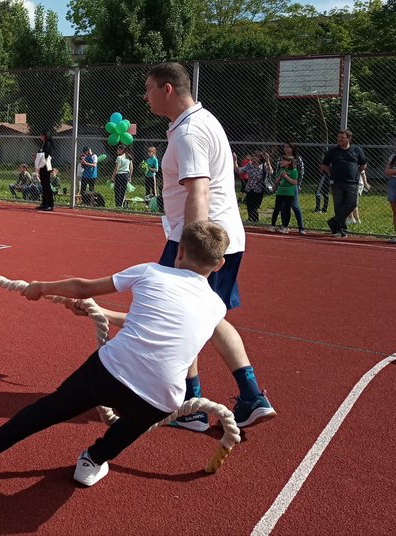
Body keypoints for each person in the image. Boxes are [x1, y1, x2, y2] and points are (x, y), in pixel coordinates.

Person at [0, 221, 231, 486]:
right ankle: (92, 461)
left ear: (180, 250)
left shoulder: (151, 272)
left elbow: (83, 287)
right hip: (160, 397)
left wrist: (41, 287)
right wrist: (99, 312)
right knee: (132, 425)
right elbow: (150, 323)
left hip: (111, 370)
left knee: (51, 409)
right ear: (219, 264)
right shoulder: (217, 307)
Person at [142, 62, 274, 429]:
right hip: (219, 238)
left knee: (183, 320)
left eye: (149, 88)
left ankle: (192, 406)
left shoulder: (190, 132)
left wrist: (191, 250)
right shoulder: (198, 122)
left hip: (200, 242)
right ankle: (248, 396)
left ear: (167, 89)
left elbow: (198, 190)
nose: (145, 95)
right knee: (210, 318)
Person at [321, 129, 367, 238]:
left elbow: (363, 164)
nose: (340, 139)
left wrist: (356, 173)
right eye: (338, 137)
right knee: (339, 205)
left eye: (342, 137)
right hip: (336, 182)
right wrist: (331, 173)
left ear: (349, 138)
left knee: (352, 203)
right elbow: (324, 165)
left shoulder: (357, 150)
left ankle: (333, 221)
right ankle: (340, 230)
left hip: (352, 182)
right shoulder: (333, 151)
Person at [269, 156, 298, 234]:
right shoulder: (281, 170)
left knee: (287, 209)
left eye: (284, 160)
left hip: (289, 193)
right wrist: (280, 176)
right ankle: (272, 225)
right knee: (277, 208)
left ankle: (285, 227)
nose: (281, 162)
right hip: (280, 192)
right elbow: (277, 182)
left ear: (289, 162)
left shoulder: (294, 171)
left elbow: (294, 182)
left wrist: (285, 176)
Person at [282, 142, 306, 234]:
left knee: (294, 205)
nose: (286, 149)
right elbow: (278, 170)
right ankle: (284, 226)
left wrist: (297, 184)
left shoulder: (297, 159)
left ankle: (301, 227)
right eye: (285, 147)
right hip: (283, 185)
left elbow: (301, 172)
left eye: (288, 147)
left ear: (293, 149)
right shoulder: (281, 158)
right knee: (283, 206)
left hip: (292, 185)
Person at [240, 153, 268, 223]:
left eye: (255, 156)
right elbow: (239, 170)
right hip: (250, 187)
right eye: (253, 156)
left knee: (255, 206)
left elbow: (270, 171)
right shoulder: (249, 165)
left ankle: (255, 219)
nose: (253, 157)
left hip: (259, 189)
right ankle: (250, 218)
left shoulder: (263, 166)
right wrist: (234, 161)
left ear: (260, 158)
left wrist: (268, 160)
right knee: (249, 204)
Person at [34, 132, 54, 211]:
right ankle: (44, 203)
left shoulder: (48, 144)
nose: (40, 136)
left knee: (46, 185)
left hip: (46, 166)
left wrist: (40, 157)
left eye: (41, 135)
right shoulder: (43, 144)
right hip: (41, 167)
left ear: (45, 136)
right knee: (43, 185)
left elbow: (46, 155)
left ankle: (50, 204)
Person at [111, 144, 132, 208]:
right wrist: (130, 176)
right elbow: (131, 168)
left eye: (118, 149)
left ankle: (118, 205)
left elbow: (116, 168)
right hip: (126, 175)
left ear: (122, 150)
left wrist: (113, 176)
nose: (117, 150)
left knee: (117, 190)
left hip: (119, 175)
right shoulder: (128, 157)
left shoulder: (119, 157)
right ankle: (121, 204)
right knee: (123, 190)